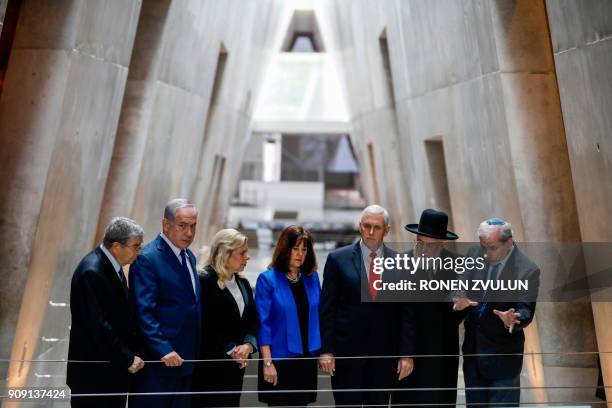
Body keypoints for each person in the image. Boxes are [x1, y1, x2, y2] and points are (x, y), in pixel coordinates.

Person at [319, 205, 416, 407]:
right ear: (360, 226)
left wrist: (406, 354)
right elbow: (327, 308)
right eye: (366, 226)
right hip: (346, 357)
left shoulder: (401, 263)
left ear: (386, 230)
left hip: (384, 358)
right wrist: (326, 350)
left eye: (377, 227)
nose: (371, 232)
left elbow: (406, 314)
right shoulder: (338, 259)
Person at [453, 218, 540, 407]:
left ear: (508, 242)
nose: (485, 253)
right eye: (482, 246)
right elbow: (459, 284)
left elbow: (525, 310)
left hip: (503, 358)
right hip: (473, 354)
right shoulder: (474, 254)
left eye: (491, 248)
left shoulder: (527, 270)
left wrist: (512, 319)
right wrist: (457, 300)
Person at [130, 198, 202, 408]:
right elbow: (144, 312)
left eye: (193, 226)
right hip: (159, 363)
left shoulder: (189, 256)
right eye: (183, 226)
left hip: (186, 360)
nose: (189, 233)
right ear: (166, 224)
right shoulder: (148, 258)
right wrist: (163, 350)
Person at [67, 216, 145, 407]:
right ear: (117, 246)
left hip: (110, 371)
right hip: (94, 375)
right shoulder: (91, 271)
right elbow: (99, 327)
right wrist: (127, 358)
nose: (139, 252)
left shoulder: (112, 267)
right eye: (135, 246)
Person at [391, 209, 462, 407]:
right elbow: (399, 314)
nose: (423, 250)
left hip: (442, 352)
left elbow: (459, 307)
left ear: (442, 243)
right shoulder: (400, 263)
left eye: (430, 245)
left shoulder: (458, 265)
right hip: (408, 352)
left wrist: (460, 307)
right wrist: (405, 353)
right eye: (420, 242)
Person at [255, 225, 321, 406]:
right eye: (295, 248)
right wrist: (267, 364)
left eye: (304, 249)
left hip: (306, 360)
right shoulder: (267, 280)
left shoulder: (312, 278)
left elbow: (319, 316)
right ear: (285, 249)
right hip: (279, 361)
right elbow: (263, 324)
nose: (300, 254)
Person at [192, 229, 258, 407]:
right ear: (225, 253)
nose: (248, 257)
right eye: (242, 253)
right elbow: (205, 325)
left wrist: (248, 345)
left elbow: (252, 320)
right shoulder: (204, 281)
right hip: (211, 366)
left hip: (237, 366)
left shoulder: (243, 283)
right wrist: (232, 350)